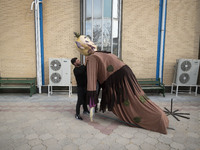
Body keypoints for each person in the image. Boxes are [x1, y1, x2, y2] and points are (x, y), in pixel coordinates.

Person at [74, 33, 169, 134]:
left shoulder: (92, 58)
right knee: (137, 97)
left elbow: (92, 84)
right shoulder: (101, 53)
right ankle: (159, 115)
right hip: (126, 72)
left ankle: (156, 118)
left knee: (128, 103)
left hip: (116, 80)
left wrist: (92, 105)